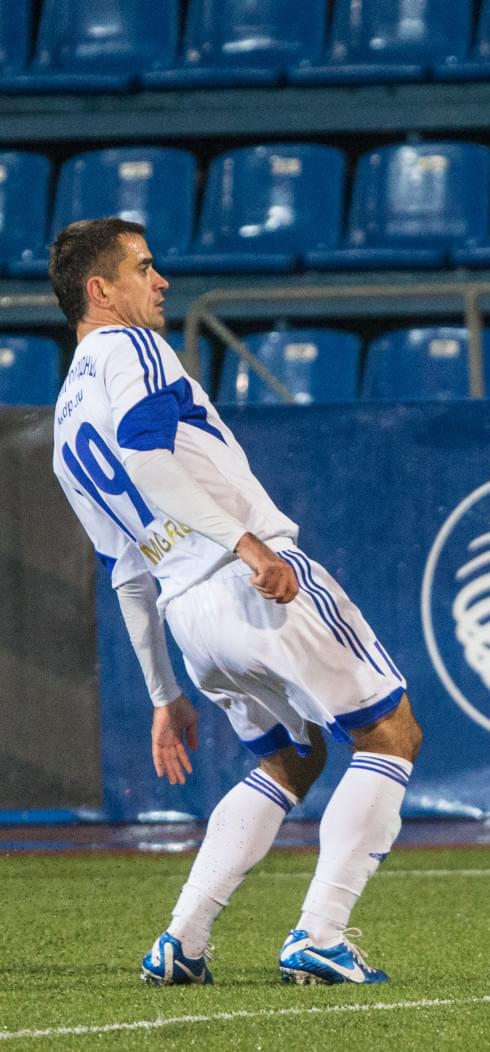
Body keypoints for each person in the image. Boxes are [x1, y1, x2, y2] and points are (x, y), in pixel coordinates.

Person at [48, 218, 423, 985]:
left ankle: (182, 941)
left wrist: (163, 693)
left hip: (189, 616)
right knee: (391, 733)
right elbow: (148, 454)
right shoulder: (134, 348)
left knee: (290, 758)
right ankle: (320, 933)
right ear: (100, 290)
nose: (161, 283)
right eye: (144, 268)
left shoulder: (62, 424)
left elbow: (125, 569)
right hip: (246, 580)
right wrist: (246, 543)